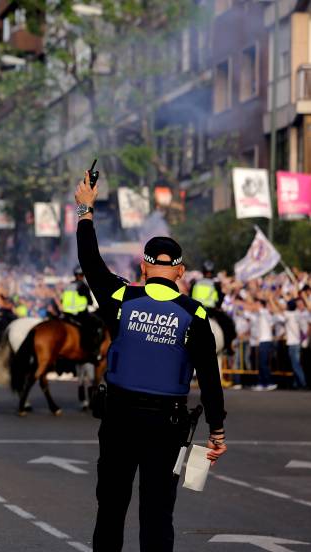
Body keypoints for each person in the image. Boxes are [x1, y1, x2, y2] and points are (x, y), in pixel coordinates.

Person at [74, 171, 227, 552]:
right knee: (158, 514)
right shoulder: (196, 315)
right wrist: (218, 429)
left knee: (110, 509)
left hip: (119, 419)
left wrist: (85, 209)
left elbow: (90, 263)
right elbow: (210, 377)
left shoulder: (122, 299)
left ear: (142, 268)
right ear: (180, 272)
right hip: (167, 425)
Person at [61, 266, 102, 361]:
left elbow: (62, 300)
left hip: (66, 314)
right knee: (99, 324)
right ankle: (94, 351)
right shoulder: (82, 286)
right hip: (79, 314)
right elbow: (90, 302)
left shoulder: (68, 286)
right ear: (81, 275)